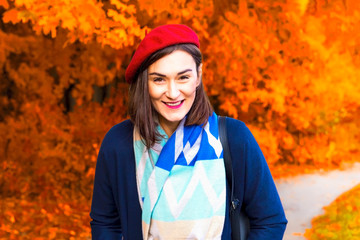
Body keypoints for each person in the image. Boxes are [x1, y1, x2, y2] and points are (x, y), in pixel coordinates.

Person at [90, 24, 287, 240]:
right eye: (159, 79)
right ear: (144, 84)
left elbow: (270, 221)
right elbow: (105, 224)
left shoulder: (233, 137)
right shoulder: (119, 143)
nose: (173, 93)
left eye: (183, 77)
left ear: (198, 75)